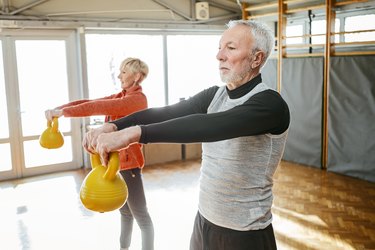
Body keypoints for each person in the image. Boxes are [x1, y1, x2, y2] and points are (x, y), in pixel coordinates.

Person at [83, 19, 290, 250]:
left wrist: (134, 134)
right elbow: (165, 113)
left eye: (230, 48)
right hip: (204, 221)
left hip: (245, 232)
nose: (219, 55)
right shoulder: (215, 96)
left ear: (257, 58)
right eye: (220, 47)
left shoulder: (270, 104)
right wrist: (114, 127)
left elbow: (212, 126)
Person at [45, 57, 154, 250]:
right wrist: (59, 110)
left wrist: (64, 113)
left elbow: (99, 107)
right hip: (112, 163)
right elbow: (92, 102)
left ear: (136, 76)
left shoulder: (137, 100)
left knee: (141, 216)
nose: (119, 75)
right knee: (125, 214)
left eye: (124, 72)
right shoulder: (120, 96)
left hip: (128, 166)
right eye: (120, 71)